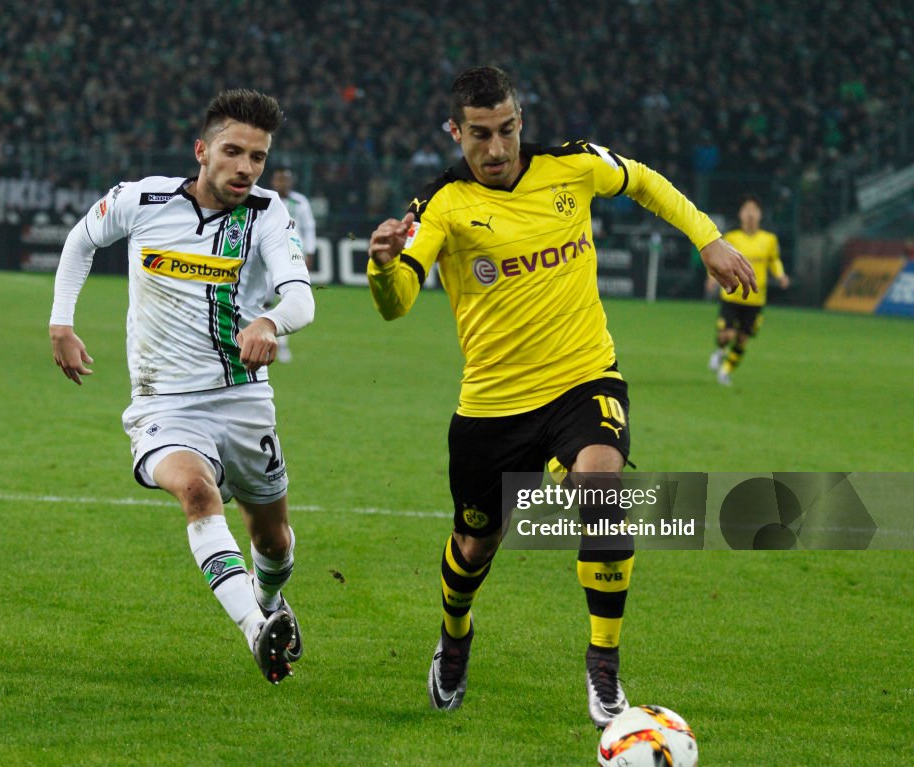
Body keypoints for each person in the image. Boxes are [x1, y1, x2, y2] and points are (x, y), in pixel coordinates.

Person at [367, 66, 756, 725]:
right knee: (473, 545)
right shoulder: (443, 206)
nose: (496, 149)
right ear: (455, 133)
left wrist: (708, 237)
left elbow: (648, 183)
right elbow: (397, 303)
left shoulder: (572, 166)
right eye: (481, 135)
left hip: (584, 378)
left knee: (601, 492)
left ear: (522, 120)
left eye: (508, 130)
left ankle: (604, 666)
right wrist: (382, 265)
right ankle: (455, 635)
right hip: (492, 406)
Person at [49, 89, 315, 684]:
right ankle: (254, 628)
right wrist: (61, 322)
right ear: (202, 150)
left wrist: (270, 321)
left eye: (258, 157)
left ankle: (270, 603)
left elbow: (300, 293)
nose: (245, 167)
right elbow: (81, 241)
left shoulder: (268, 213)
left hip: (244, 400)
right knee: (197, 493)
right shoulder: (140, 200)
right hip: (163, 404)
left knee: (271, 540)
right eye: (233, 151)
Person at [707, 194, 790, 385]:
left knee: (742, 339)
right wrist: (711, 278)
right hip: (732, 294)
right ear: (740, 214)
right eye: (747, 210)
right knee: (726, 335)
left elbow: (774, 260)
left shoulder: (769, 239)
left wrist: (780, 275)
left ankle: (725, 371)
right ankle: (719, 351)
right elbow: (717, 259)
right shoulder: (731, 238)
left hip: (756, 298)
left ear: (760, 215)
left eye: (754, 210)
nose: (750, 214)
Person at [267, 165, 317, 362]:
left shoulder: (300, 202)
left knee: (288, 300)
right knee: (264, 300)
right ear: (273, 181)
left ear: (291, 181)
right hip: (267, 258)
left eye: (285, 179)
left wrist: (310, 251)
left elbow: (309, 227)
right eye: (279, 179)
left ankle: (282, 345)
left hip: (292, 258)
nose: (282, 183)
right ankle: (264, 340)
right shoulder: (266, 199)